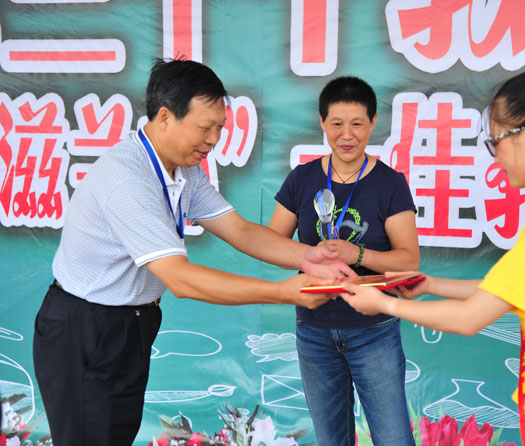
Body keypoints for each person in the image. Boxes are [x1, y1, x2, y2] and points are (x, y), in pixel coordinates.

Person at [32, 58, 354, 446]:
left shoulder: (183, 168)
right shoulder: (128, 179)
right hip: (86, 327)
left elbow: (239, 230)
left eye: (220, 128)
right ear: (165, 117)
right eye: (205, 127)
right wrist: (285, 292)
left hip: (131, 323)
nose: (214, 139)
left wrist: (309, 258)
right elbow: (181, 279)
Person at [340, 65, 525, 445]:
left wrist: (383, 304)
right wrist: (430, 284)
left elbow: (470, 318)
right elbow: (511, 289)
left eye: (496, 142)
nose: (496, 157)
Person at [269, 76, 420, 446]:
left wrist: (359, 254)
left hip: (374, 330)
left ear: (373, 123)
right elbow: (271, 245)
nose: (346, 135)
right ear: (322, 122)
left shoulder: (390, 183)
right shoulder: (302, 179)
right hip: (314, 330)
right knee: (331, 439)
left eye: (357, 124)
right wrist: (309, 259)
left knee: (393, 438)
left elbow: (409, 260)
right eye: (336, 123)